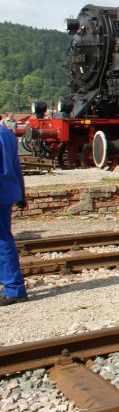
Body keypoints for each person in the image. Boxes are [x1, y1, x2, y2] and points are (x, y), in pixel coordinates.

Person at [0, 124, 27, 305]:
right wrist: (22, 193)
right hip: (7, 192)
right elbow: (17, 165)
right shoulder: (7, 133)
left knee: (2, 240)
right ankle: (13, 287)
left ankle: (14, 289)